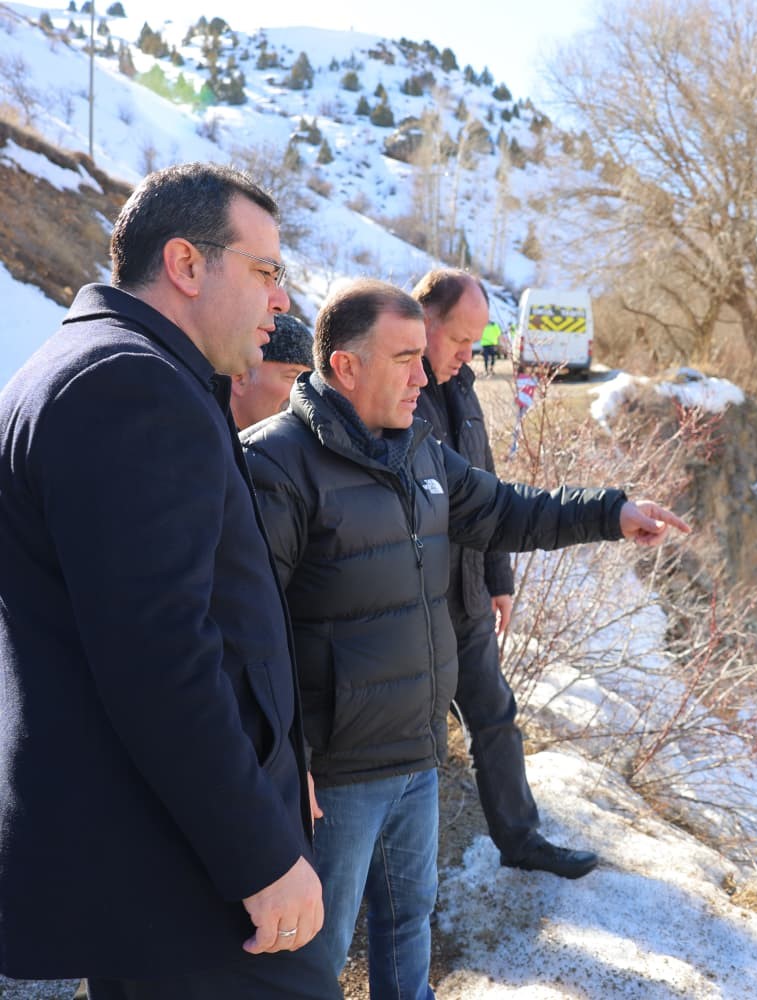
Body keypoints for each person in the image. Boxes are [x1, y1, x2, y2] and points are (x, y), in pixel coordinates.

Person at [242, 278, 688, 999]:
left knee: (406, 924)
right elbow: (246, 638)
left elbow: (509, 510)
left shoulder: (418, 448)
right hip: (336, 776)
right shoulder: (273, 466)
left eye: (425, 356)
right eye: (404, 358)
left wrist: (611, 512)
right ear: (346, 367)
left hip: (417, 754)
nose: (425, 376)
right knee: (312, 961)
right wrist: (288, 763)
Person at [0, 162, 336, 998]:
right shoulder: (132, 386)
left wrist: (278, 761)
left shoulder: (101, 366)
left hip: (156, 850)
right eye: (265, 272)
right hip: (183, 874)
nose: (281, 301)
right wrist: (260, 854)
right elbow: (159, 657)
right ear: (187, 265)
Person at [412, 268, 600, 879]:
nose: (471, 354)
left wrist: (499, 579)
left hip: (465, 597)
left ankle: (520, 841)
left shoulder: (463, 387)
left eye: (475, 341)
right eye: (460, 340)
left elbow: (486, 492)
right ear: (424, 323)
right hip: (410, 606)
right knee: (412, 745)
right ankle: (395, 872)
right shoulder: (396, 388)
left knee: (494, 716)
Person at [230, 311, 314, 429]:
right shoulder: (200, 438)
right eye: (292, 378)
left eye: (308, 383)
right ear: (239, 377)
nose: (304, 395)